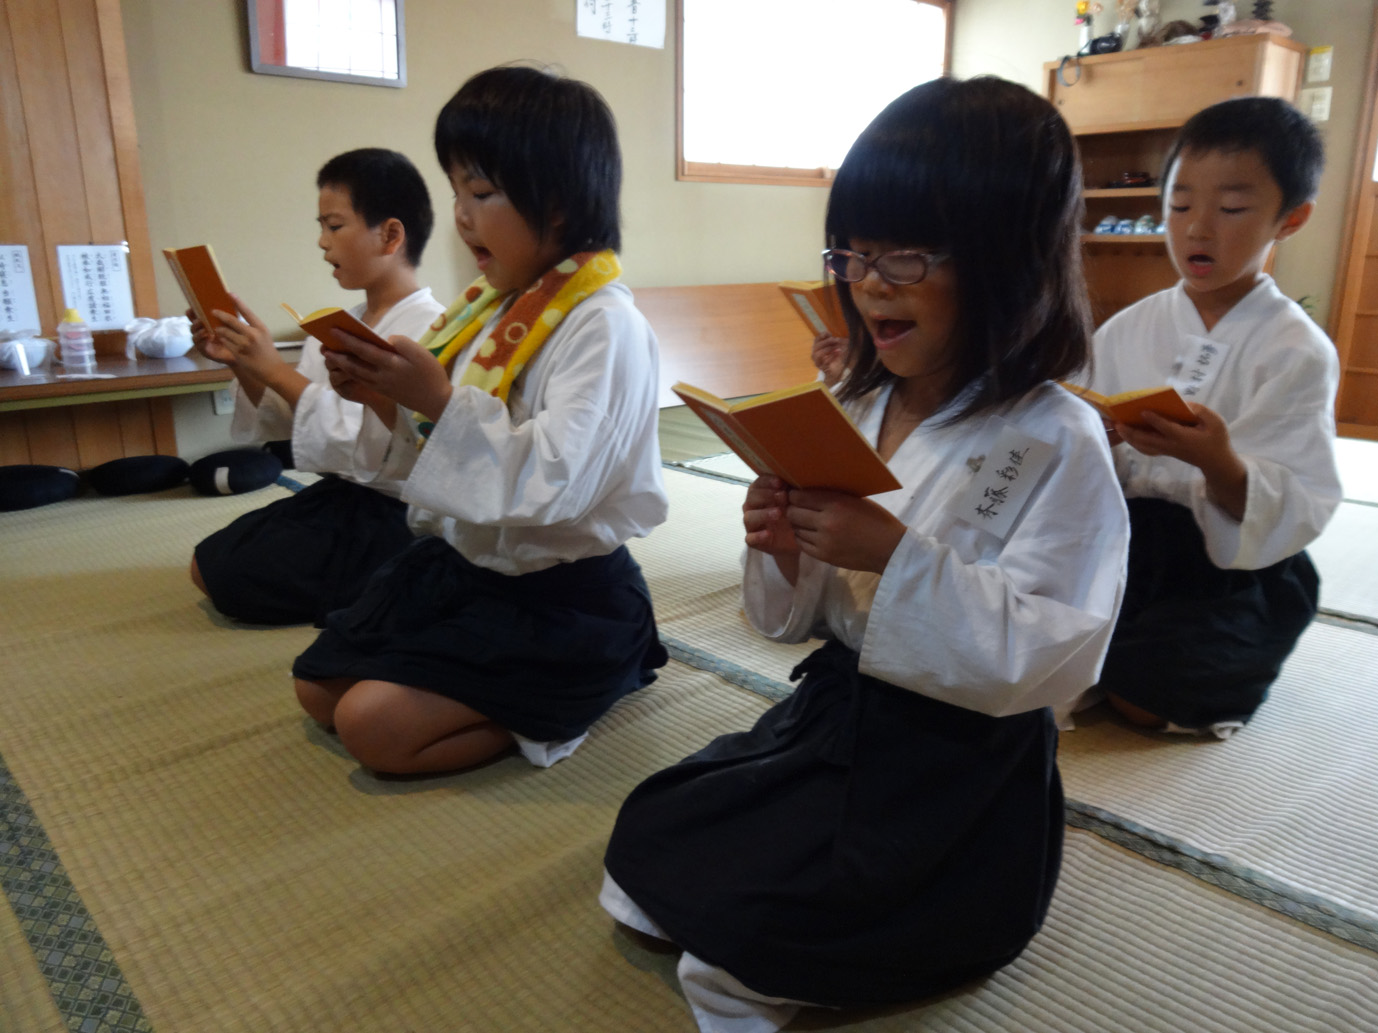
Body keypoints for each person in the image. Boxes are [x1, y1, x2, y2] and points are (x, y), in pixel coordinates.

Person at [600, 76, 1130, 1031]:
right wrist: (782, 544)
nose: (867, 281)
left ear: (1009, 260)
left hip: (956, 769)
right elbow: (791, 619)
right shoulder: (861, 402)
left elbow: (1058, 651)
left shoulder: (1059, 439)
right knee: (653, 832)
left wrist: (897, 556)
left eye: (908, 255)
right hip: (840, 719)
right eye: (853, 250)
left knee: (754, 930)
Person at [290, 66, 668, 776]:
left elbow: (555, 482)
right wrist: (384, 400)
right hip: (472, 569)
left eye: (483, 192)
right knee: (317, 689)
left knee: (372, 730)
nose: (461, 215)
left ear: (557, 202)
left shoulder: (605, 326)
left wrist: (435, 401)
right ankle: (508, 689)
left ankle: (584, 685)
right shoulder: (492, 309)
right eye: (457, 189)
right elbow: (434, 469)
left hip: (564, 597)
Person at [1081, 96, 1340, 738]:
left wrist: (1217, 461)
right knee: (1035, 647)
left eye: (1230, 209)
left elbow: (1298, 493)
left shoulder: (1297, 350)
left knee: (1147, 700)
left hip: (1227, 565)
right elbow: (1081, 445)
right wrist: (1098, 436)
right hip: (1128, 542)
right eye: (1178, 205)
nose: (1197, 229)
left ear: (1291, 219)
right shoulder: (1127, 329)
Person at [189, 148, 446, 625]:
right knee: (208, 560)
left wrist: (275, 369)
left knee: (234, 579)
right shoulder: (341, 323)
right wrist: (248, 362)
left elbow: (374, 444)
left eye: (334, 225)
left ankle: (403, 580)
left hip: (401, 512)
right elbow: (295, 423)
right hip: (345, 499)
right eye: (321, 226)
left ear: (390, 235)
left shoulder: (431, 328)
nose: (322, 242)